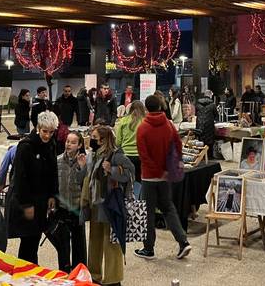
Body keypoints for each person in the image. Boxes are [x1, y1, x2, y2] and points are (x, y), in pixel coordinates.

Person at [134, 95, 191, 261]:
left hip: (149, 177)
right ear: (160, 106)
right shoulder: (168, 124)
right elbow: (178, 145)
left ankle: (148, 249)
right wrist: (170, 167)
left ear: (146, 108)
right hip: (166, 176)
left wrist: (157, 171)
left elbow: (144, 156)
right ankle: (183, 242)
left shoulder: (142, 128)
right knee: (168, 208)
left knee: (147, 213)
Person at [83, 125, 135, 286]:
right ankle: (94, 275)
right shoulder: (93, 154)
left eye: (94, 137)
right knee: (95, 240)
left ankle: (113, 279)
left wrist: (112, 170)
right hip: (95, 204)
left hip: (111, 204)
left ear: (103, 140)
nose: (91, 140)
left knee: (111, 241)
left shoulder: (116, 155)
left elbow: (131, 172)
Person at [6, 111, 59, 264]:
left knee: (34, 240)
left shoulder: (51, 144)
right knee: (28, 241)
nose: (48, 135)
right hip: (27, 200)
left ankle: (31, 269)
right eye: (45, 131)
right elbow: (20, 178)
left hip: (41, 200)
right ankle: (25, 271)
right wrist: (26, 204)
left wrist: (52, 195)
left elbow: (53, 171)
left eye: (51, 132)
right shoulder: (25, 146)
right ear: (37, 128)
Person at [51, 131, 88, 273]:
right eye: (67, 141)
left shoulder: (85, 161)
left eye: (73, 142)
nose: (69, 145)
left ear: (79, 145)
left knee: (79, 244)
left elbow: (86, 185)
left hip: (77, 208)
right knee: (63, 245)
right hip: (62, 208)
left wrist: (82, 168)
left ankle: (80, 271)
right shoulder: (58, 161)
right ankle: (64, 271)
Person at [115, 100, 145, 183]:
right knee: (138, 180)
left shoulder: (123, 120)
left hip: (125, 155)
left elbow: (118, 142)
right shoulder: (145, 121)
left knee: (126, 181)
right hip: (140, 155)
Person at [195, 90, 217, 158]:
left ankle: (201, 156)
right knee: (209, 140)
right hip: (209, 125)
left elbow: (196, 114)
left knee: (201, 140)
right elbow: (216, 115)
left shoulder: (198, 104)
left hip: (199, 125)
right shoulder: (212, 105)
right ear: (210, 95)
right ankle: (209, 156)